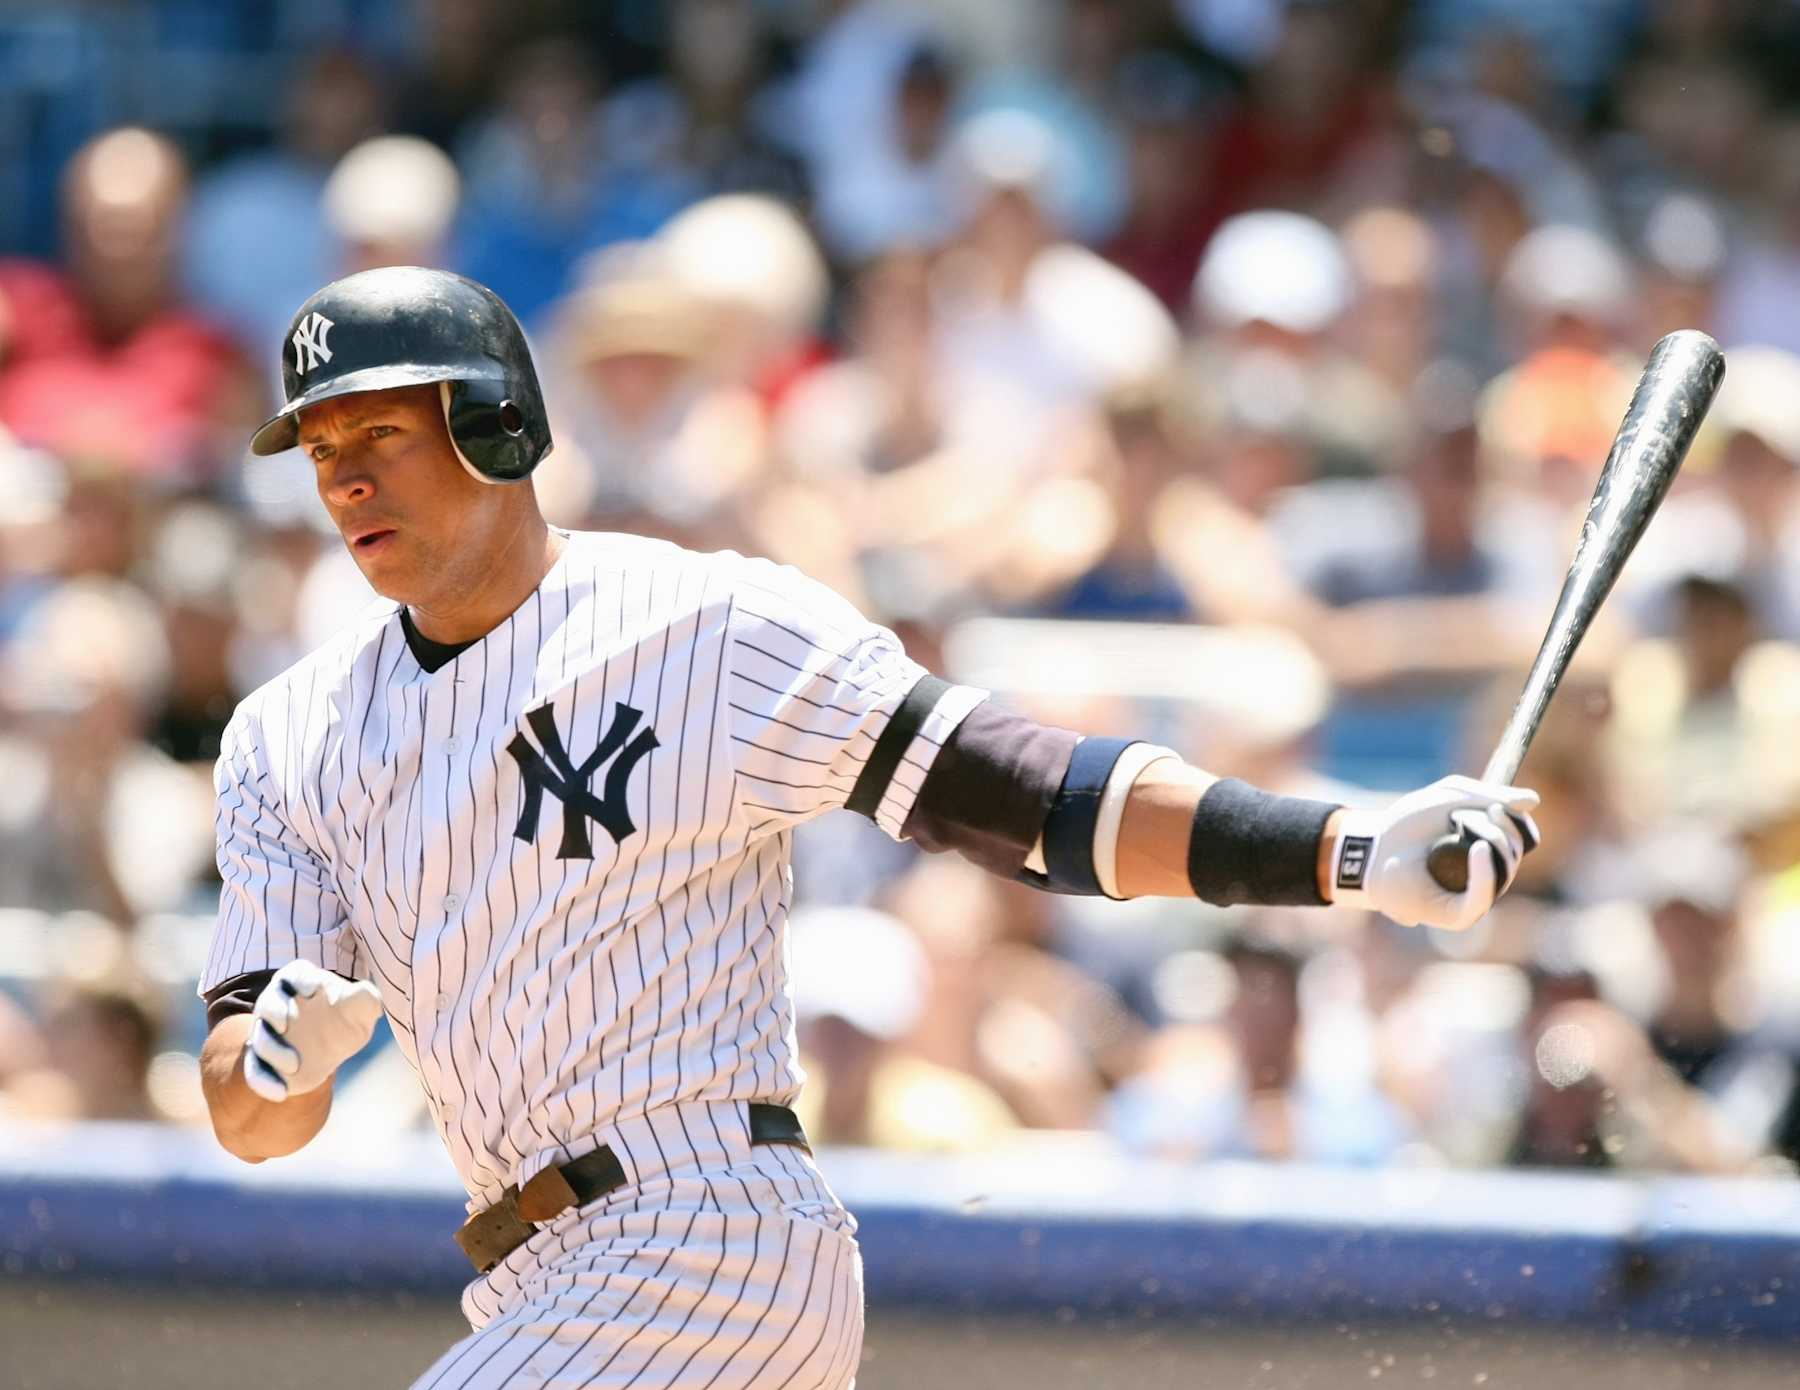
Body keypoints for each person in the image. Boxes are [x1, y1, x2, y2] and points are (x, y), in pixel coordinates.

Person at [195, 266, 1539, 1389]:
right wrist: (271, 1064)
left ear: (497, 426)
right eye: (321, 451)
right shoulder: (285, 735)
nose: (344, 481)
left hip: (704, 1235)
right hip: (527, 1273)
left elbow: (1032, 795)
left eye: (380, 434)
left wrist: (1346, 848)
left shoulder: (704, 627)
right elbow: (251, 1123)